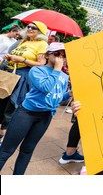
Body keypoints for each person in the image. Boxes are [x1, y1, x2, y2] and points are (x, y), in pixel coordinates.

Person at [0, 42, 70, 174]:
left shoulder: (64, 77)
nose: (61, 57)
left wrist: (68, 94)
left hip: (45, 117)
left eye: (64, 55)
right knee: (6, 150)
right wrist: (57, 70)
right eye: (57, 53)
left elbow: (56, 97)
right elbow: (45, 87)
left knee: (27, 150)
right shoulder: (37, 70)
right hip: (26, 114)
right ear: (47, 55)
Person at [0, 21, 48, 144]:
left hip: (22, 76)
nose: (30, 29)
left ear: (40, 32)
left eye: (34, 28)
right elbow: (14, 54)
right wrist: (9, 57)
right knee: (2, 101)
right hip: (9, 73)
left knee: (10, 106)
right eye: (29, 27)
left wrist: (23, 59)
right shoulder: (23, 41)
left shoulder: (42, 44)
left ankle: (3, 136)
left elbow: (41, 64)